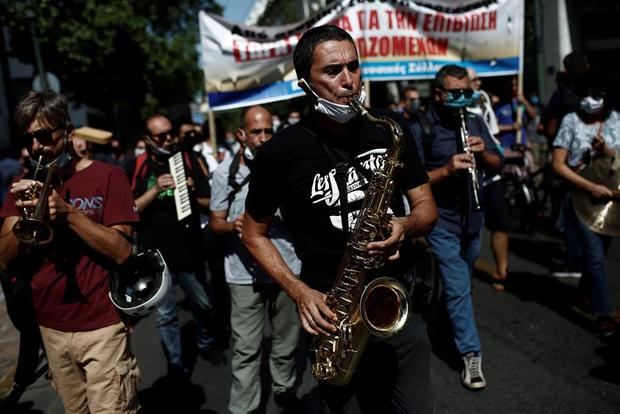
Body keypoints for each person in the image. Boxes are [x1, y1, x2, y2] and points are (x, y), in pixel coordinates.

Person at [242, 25, 437, 413]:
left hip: (393, 301)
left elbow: (427, 208)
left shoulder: (390, 128)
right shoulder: (279, 153)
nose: (348, 81)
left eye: (354, 67)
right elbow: (253, 234)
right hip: (332, 315)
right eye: (332, 71)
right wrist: (299, 292)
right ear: (305, 84)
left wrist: (405, 226)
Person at [0, 90, 141, 413]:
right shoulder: (24, 183)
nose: (36, 146)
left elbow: (122, 251)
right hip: (51, 327)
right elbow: (4, 259)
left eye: (44, 136)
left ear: (68, 131)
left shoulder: (109, 176)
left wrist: (67, 213)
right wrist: (22, 215)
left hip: (102, 324)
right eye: (28, 139)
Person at [413, 64, 502, 390]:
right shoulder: (422, 125)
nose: (463, 98)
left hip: (472, 218)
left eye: (468, 91)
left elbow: (498, 161)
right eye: (456, 93)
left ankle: (443, 314)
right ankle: (470, 353)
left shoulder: (474, 119)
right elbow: (413, 180)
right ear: (439, 94)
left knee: (460, 283)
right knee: (459, 286)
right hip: (441, 220)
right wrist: (447, 169)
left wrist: (484, 155)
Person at [210, 105, 301, 413]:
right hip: (243, 275)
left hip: (286, 268)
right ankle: (244, 408)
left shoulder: (289, 165)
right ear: (241, 135)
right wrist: (233, 224)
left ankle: (284, 387)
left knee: (286, 340)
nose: (263, 138)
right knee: (246, 348)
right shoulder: (226, 172)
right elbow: (215, 222)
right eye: (255, 132)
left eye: (267, 131)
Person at [132, 114, 221, 379]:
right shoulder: (139, 166)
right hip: (157, 256)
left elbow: (211, 203)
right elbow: (130, 209)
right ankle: (176, 366)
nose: (168, 138)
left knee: (203, 305)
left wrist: (192, 191)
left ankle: (206, 343)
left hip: (189, 249)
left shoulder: (188, 160)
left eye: (170, 133)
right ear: (148, 139)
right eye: (161, 136)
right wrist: (155, 190)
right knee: (165, 316)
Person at [551, 88, 620, 338]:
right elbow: (557, 163)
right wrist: (589, 186)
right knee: (594, 254)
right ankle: (603, 314)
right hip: (581, 196)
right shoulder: (571, 120)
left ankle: (583, 293)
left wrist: (609, 153)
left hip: (611, 200)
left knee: (600, 252)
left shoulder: (616, 119)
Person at [467, 67, 509, 291]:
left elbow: (493, 132)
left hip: (491, 173)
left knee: (500, 223)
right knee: (473, 229)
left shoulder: (482, 99)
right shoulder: (458, 106)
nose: (478, 83)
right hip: (471, 176)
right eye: (474, 80)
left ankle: (502, 271)